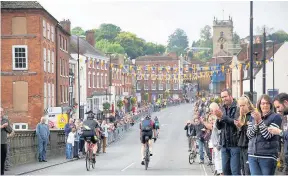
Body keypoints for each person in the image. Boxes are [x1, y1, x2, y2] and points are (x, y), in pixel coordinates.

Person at [247, 94, 282, 175]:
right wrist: (256, 124)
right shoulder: (253, 116)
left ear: (271, 105)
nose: (265, 105)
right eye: (262, 103)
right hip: (252, 155)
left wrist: (259, 121)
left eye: (267, 103)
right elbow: (249, 135)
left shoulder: (276, 117)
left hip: (268, 156)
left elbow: (267, 135)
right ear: (259, 104)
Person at [215, 89, 241, 175]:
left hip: (235, 144)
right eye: (222, 97)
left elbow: (236, 123)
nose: (224, 99)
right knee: (225, 172)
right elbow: (219, 127)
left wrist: (222, 117)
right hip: (224, 145)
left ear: (230, 96)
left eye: (225, 96)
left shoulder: (238, 107)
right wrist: (218, 119)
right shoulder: (222, 108)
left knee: (235, 172)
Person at [234, 95, 253, 175]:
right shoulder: (241, 116)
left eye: (243, 105)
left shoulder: (252, 115)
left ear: (248, 104)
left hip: (249, 146)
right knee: (243, 170)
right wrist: (238, 127)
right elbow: (239, 131)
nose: (241, 107)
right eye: (240, 105)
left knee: (248, 170)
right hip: (241, 145)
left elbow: (251, 131)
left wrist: (242, 126)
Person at [1, 107, 12, 175]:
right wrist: (2, 126)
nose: (1, 113)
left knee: (3, 158)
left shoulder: (5, 120)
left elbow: (10, 130)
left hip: (3, 142)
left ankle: (1, 173)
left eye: (2, 112)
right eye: (0, 111)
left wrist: (6, 126)